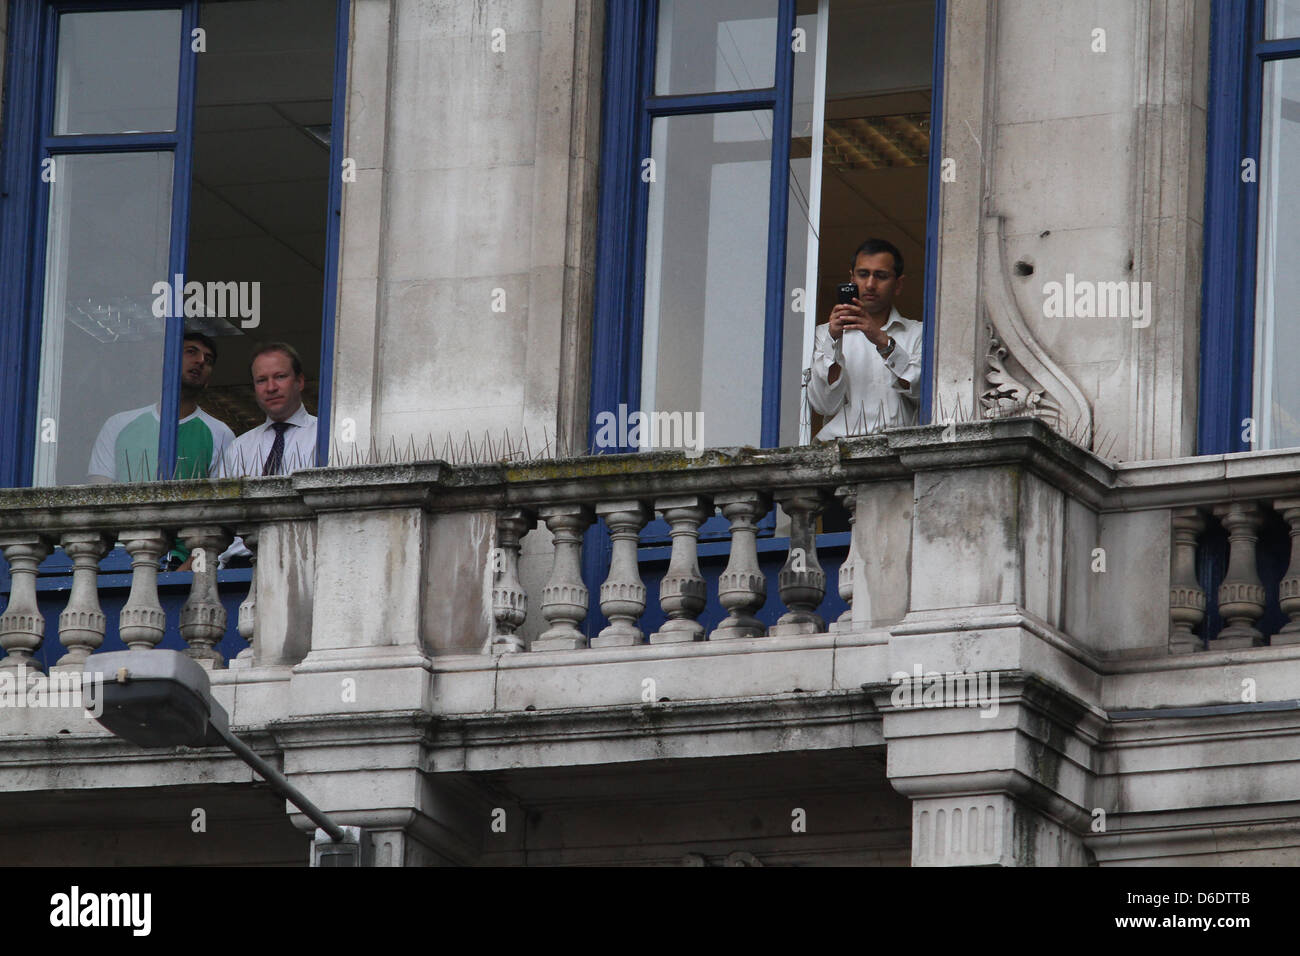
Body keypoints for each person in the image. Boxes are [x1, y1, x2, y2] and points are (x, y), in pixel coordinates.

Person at [807, 238, 923, 439]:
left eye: (881, 276)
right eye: (863, 274)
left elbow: (922, 393)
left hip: (901, 453)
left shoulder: (919, 333)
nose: (870, 284)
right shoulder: (823, 334)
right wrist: (833, 340)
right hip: (838, 451)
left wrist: (881, 340)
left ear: (898, 284)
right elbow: (823, 405)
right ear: (852, 279)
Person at [217, 342, 318, 567]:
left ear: (299, 382)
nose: (270, 387)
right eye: (261, 380)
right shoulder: (239, 447)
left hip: (302, 560)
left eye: (280, 376)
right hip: (241, 567)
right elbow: (221, 517)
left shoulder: (326, 437)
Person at [87, 332, 235, 483]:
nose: (201, 361)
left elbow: (221, 501)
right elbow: (99, 491)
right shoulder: (118, 424)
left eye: (208, 360)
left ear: (208, 380)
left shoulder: (221, 434)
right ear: (167, 361)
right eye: (191, 352)